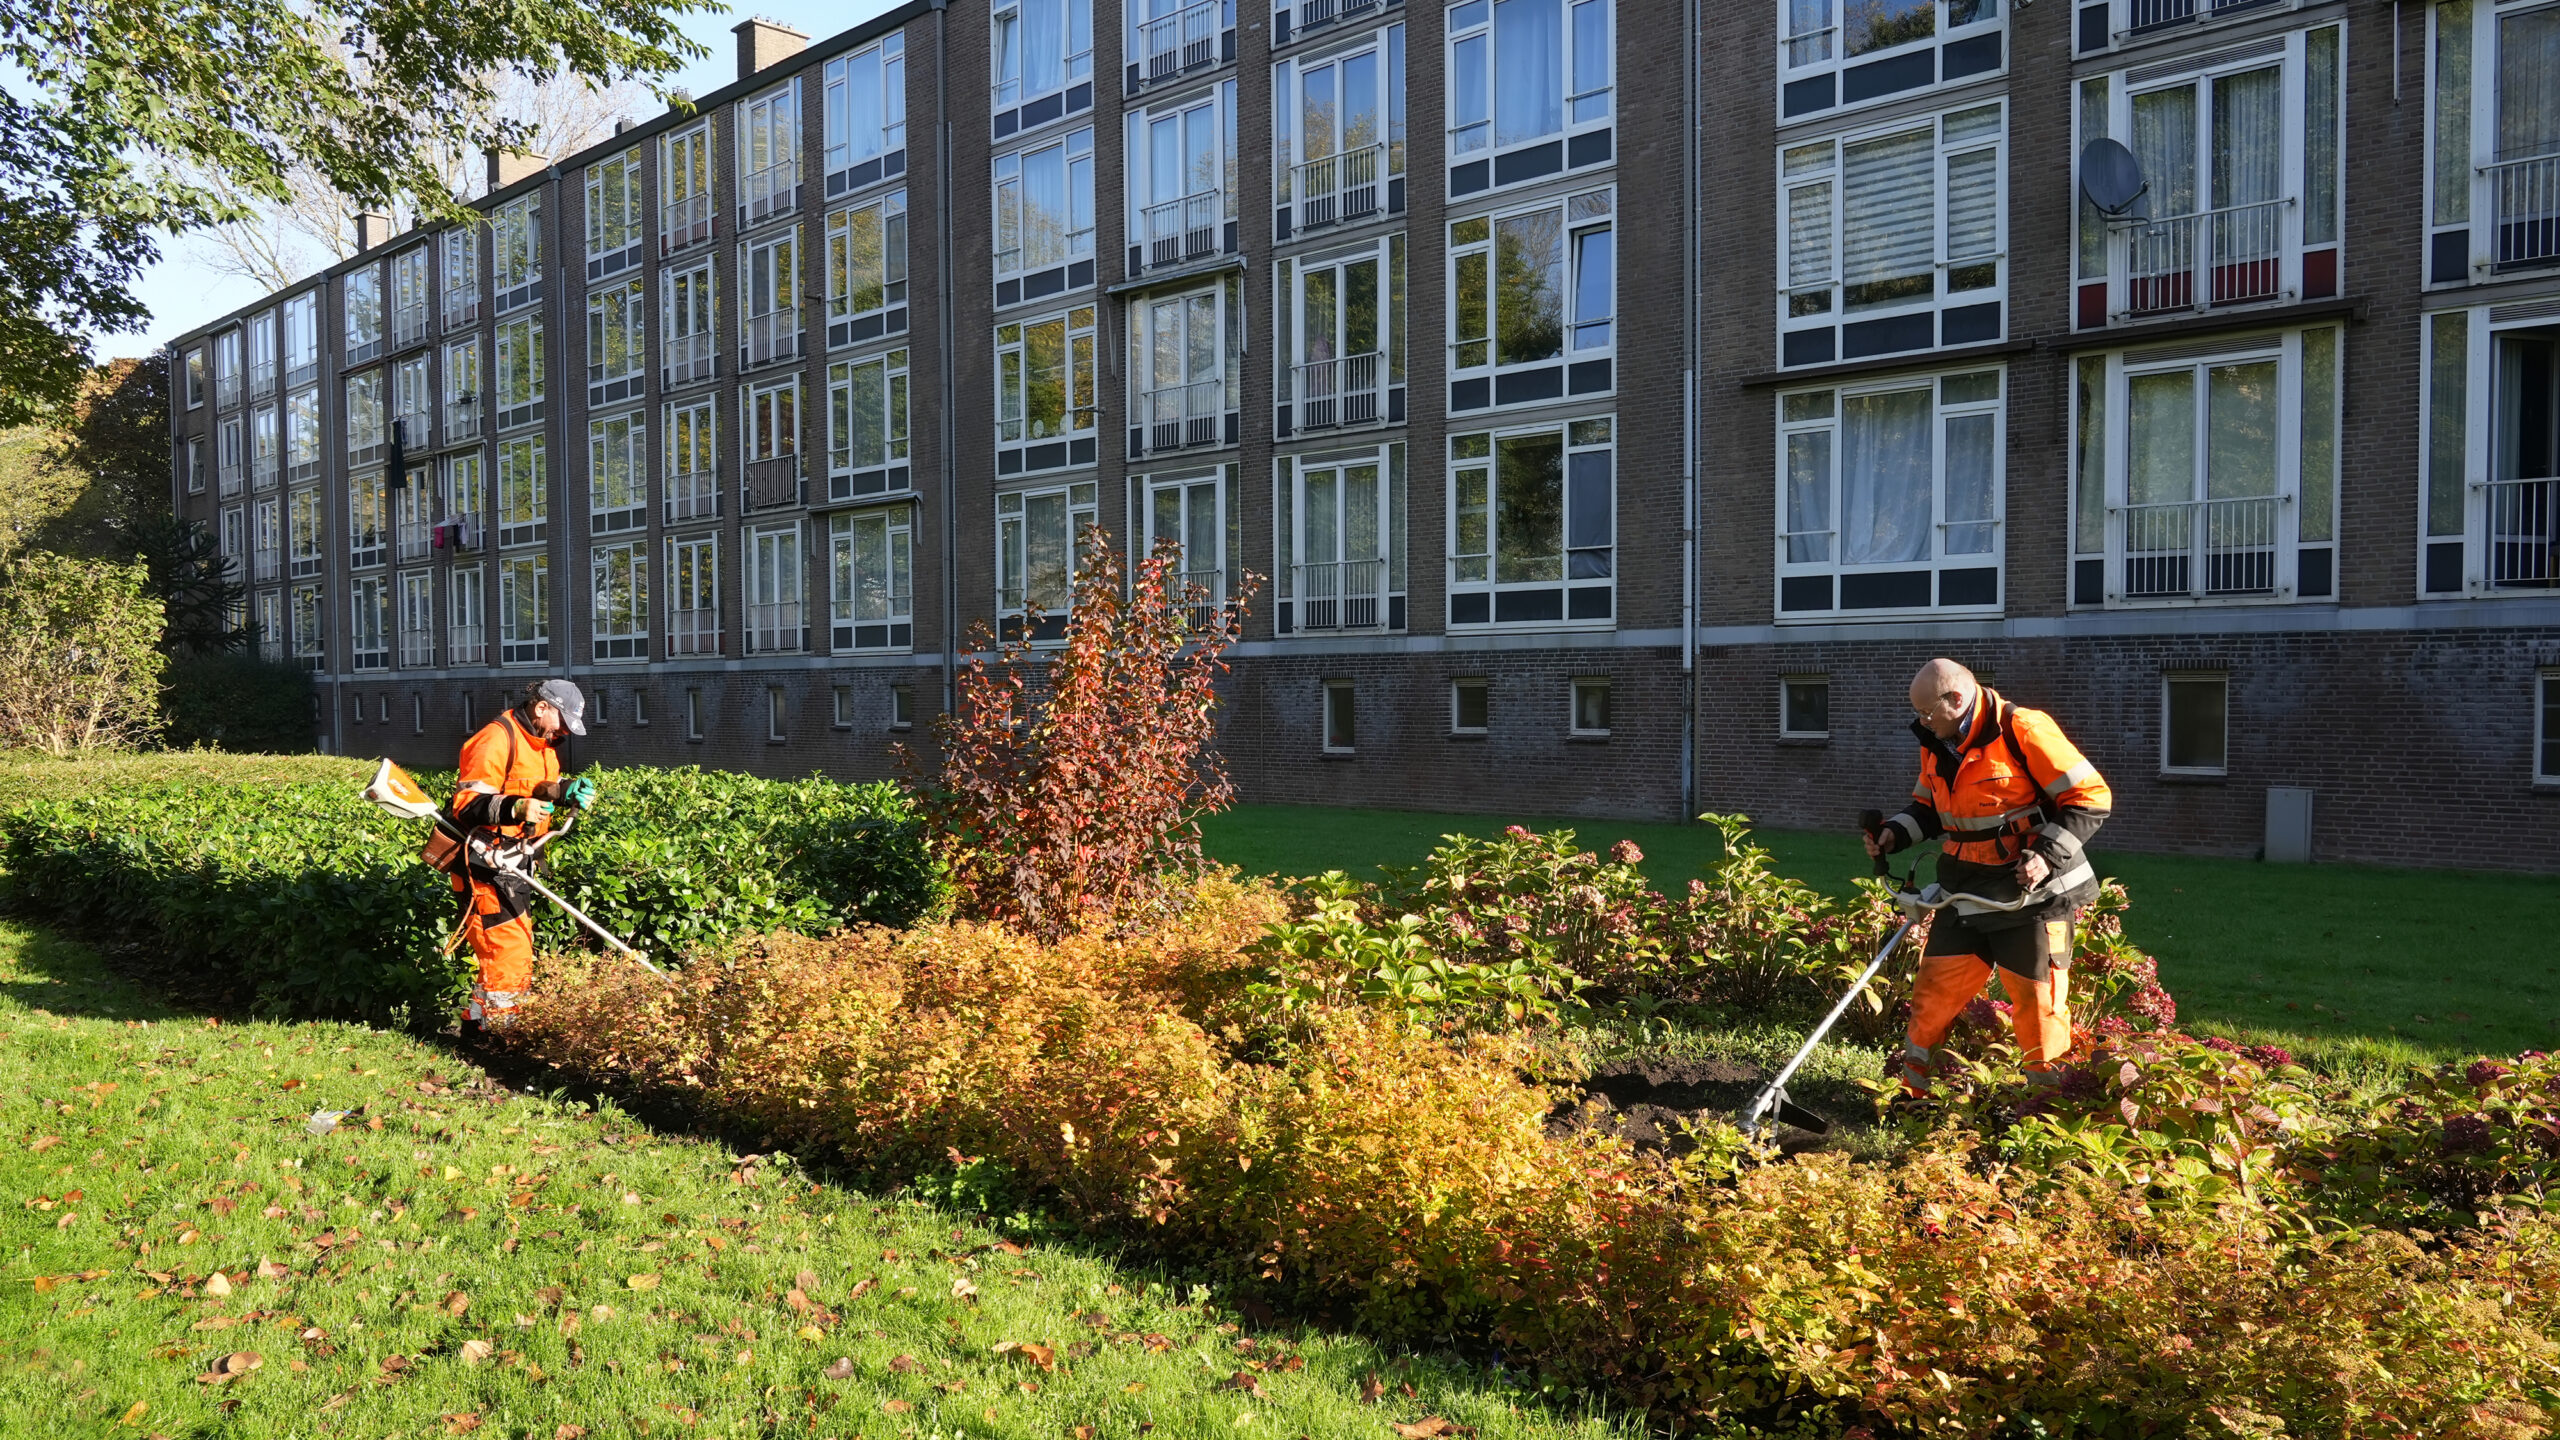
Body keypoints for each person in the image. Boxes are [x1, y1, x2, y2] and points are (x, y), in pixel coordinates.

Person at [1866, 659, 2111, 1090]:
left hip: (2030, 897)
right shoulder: (1937, 740)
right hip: (1964, 892)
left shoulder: (2025, 730)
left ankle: (2045, 1108)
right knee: (1931, 997)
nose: (1922, 722)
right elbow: (1930, 809)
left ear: (1956, 700)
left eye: (1927, 712)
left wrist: (2046, 855)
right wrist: (1892, 835)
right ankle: (1913, 1097)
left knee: (2039, 1009)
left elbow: (2090, 796)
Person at [450, 678, 596, 1031]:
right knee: (508, 951)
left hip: (516, 860)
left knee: (509, 947)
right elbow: (467, 806)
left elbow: (531, 784)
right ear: (541, 706)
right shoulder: (496, 738)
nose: (563, 731)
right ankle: (504, 1035)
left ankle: (477, 1022)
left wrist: (563, 791)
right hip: (484, 863)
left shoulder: (543, 742)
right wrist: (516, 809)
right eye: (561, 720)